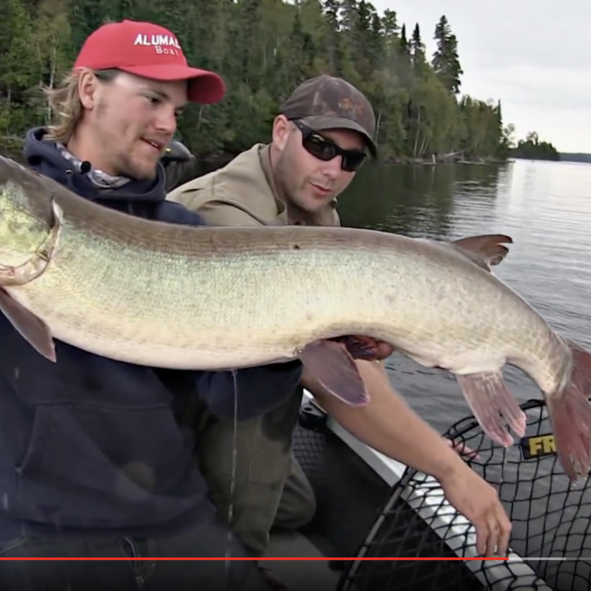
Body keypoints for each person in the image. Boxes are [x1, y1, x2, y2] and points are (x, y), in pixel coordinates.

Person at [0, 19, 299, 591]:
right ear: (89, 91)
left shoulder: (184, 230)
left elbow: (227, 397)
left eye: (177, 110)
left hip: (172, 508)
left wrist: (293, 345)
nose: (168, 124)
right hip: (39, 522)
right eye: (154, 99)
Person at [168, 74, 513, 586]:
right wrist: (446, 468)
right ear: (282, 131)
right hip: (179, 422)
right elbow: (325, 374)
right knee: (244, 513)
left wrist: (375, 366)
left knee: (299, 505)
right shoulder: (219, 213)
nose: (332, 169)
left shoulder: (312, 209)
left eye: (349, 159)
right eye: (320, 146)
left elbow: (349, 360)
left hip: (236, 402)